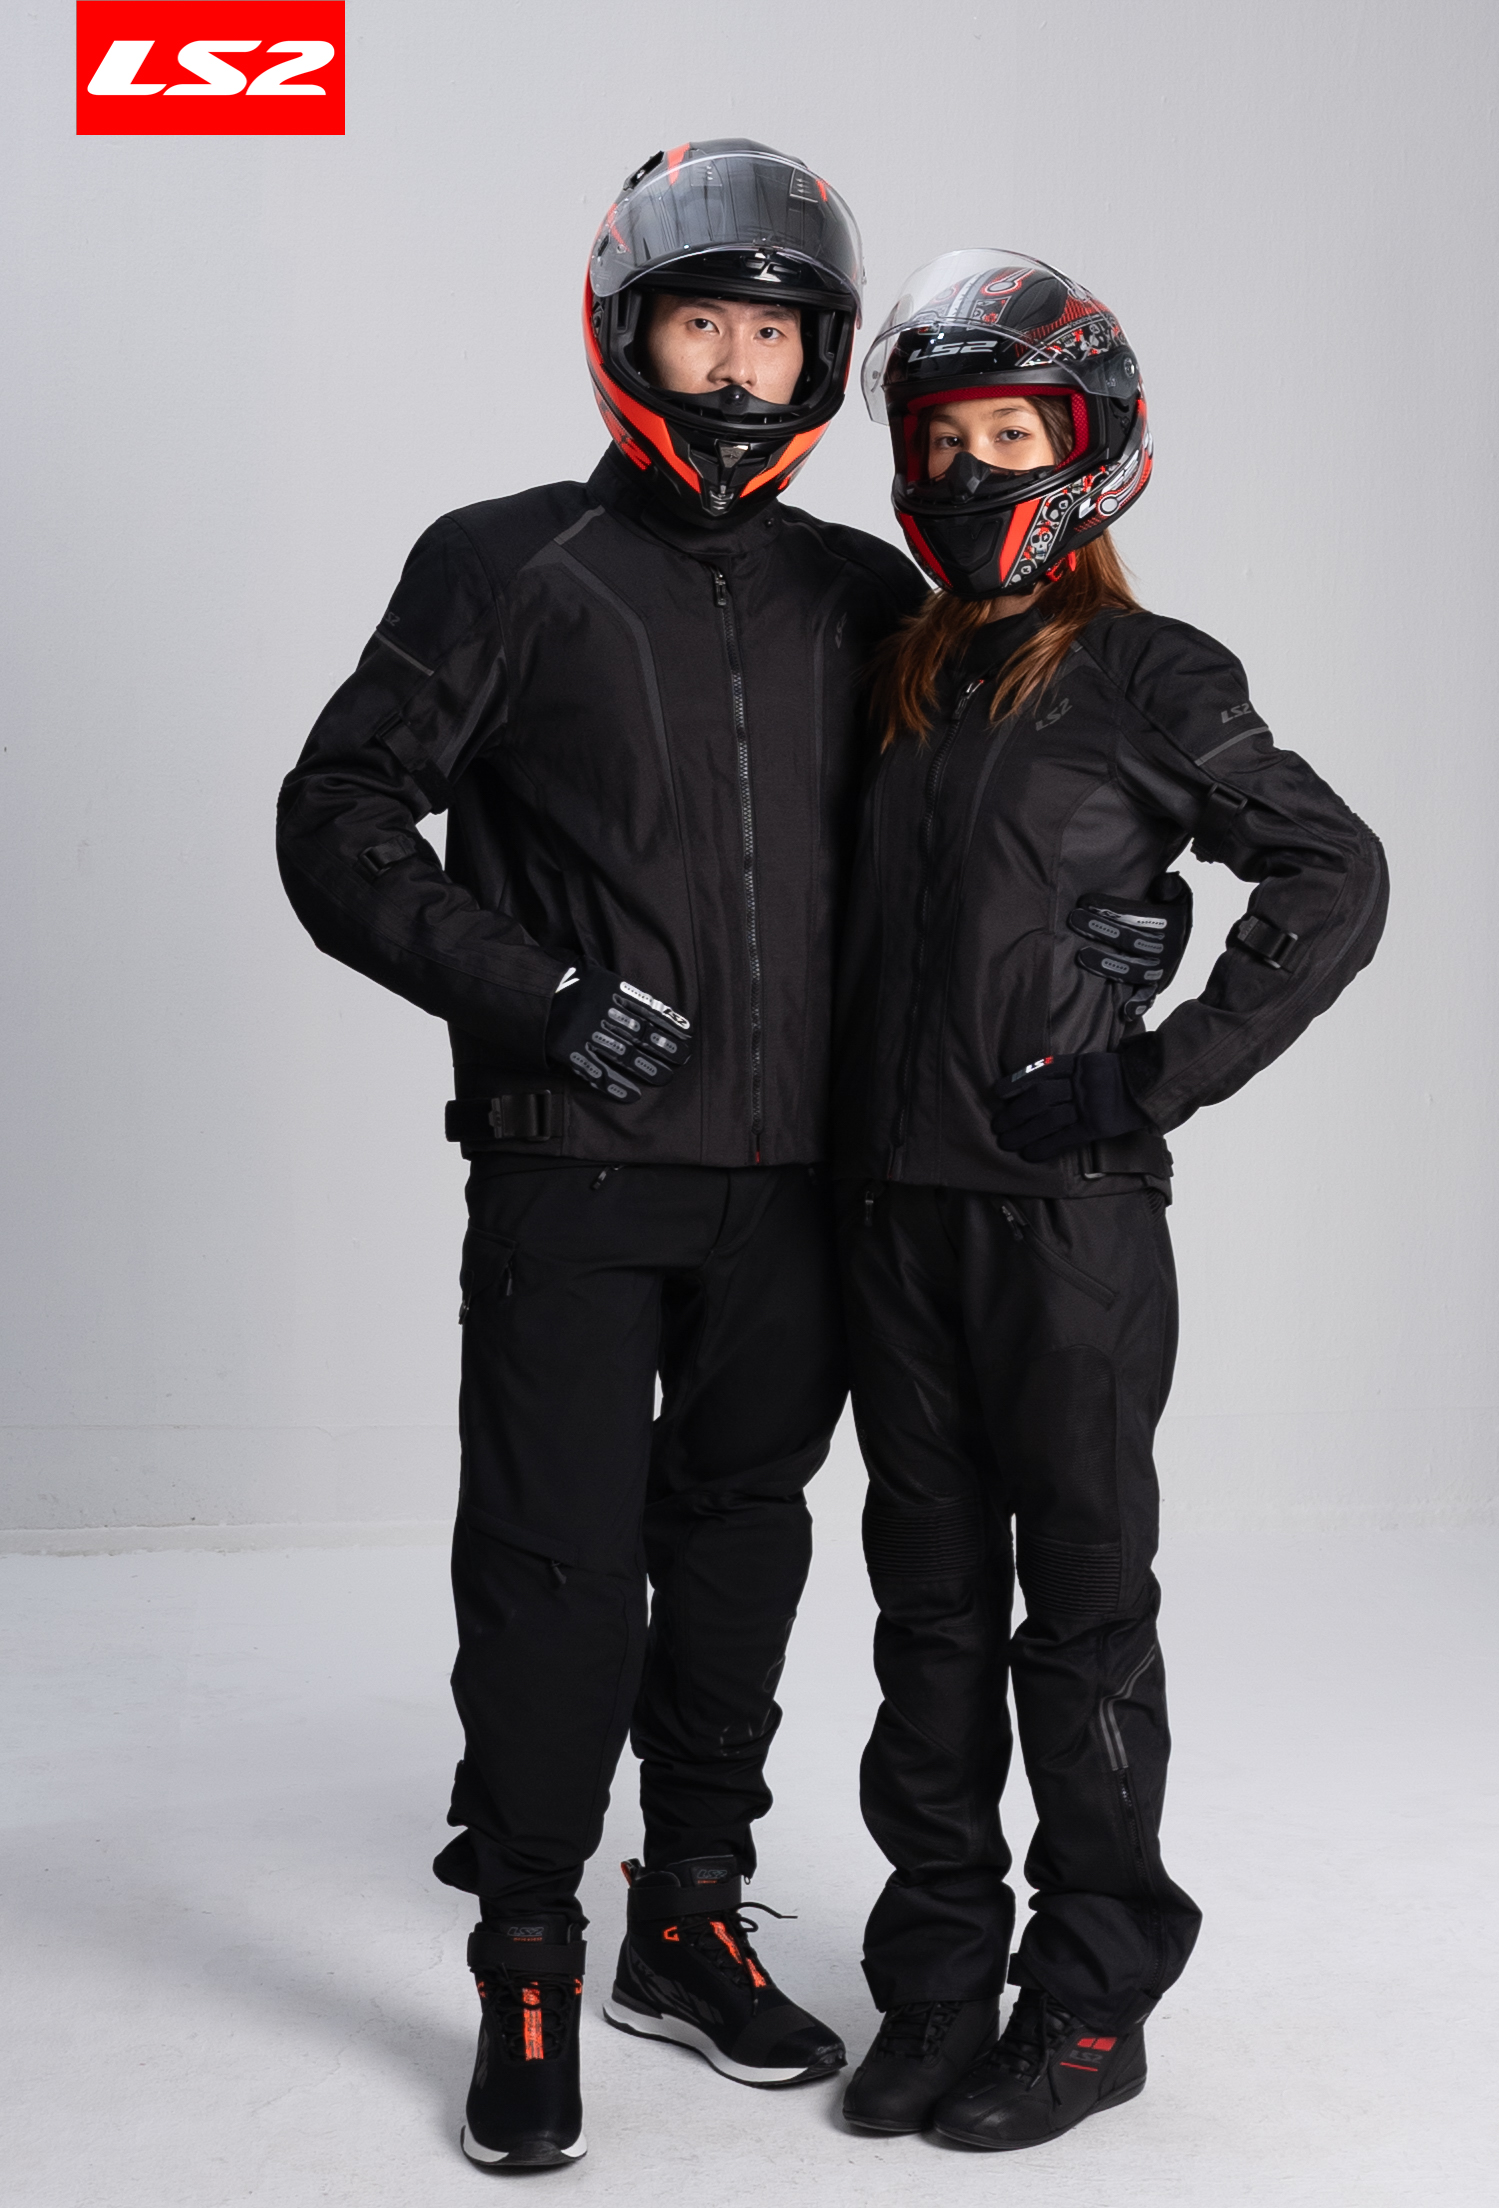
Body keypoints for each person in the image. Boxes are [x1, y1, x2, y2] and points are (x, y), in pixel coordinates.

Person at [275, 141, 924, 2171]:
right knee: (556, 1560)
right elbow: (336, 817)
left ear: (819, 359)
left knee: (740, 1541)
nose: (734, 369)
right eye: (699, 324)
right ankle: (530, 1955)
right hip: (575, 1162)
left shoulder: (866, 595)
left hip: (803, 1183)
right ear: (624, 332)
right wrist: (535, 995)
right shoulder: (506, 564)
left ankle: (687, 1916)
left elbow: (988, 824)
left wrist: (1126, 910)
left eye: (772, 335)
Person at [832, 250, 1388, 2151]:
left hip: (1062, 1224)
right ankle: (932, 1979)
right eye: (944, 441)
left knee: (1077, 1613)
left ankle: (1087, 2005)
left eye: (1011, 435)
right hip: (888, 1217)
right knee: (925, 1616)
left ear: (1086, 448)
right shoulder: (896, 670)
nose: (973, 471)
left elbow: (1331, 873)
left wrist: (1148, 1073)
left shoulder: (1153, 673)